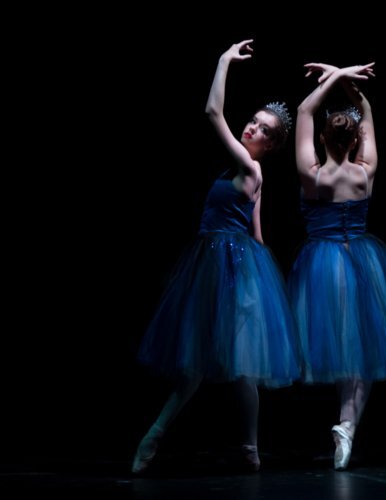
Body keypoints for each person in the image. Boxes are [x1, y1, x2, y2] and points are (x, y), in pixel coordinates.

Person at [131, 39, 300, 474]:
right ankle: (157, 436)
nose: (250, 128)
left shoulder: (251, 167)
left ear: (273, 142)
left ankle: (248, 448)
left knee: (239, 366)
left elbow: (211, 112)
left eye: (262, 128)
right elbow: (257, 232)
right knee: (197, 364)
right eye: (251, 122)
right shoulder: (243, 172)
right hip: (218, 264)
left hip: (230, 268)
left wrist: (224, 61)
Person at [288, 62, 386, 470]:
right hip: (363, 263)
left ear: (324, 137)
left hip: (325, 266)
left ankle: (346, 428)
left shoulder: (312, 176)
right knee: (362, 348)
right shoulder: (366, 173)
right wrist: (347, 79)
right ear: (353, 142)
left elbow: (303, 112)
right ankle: (347, 426)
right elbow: (366, 114)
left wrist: (334, 75)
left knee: (348, 349)